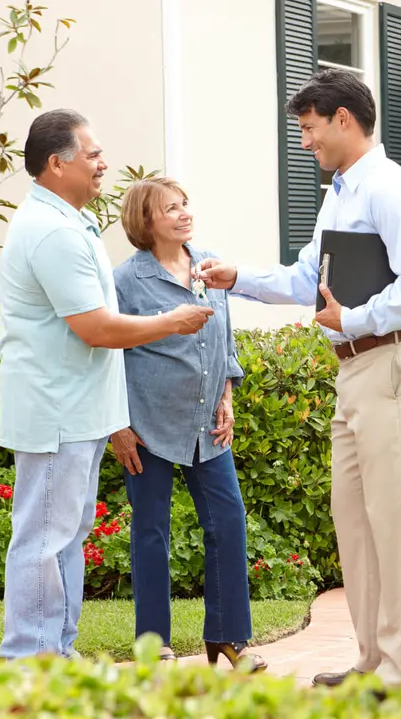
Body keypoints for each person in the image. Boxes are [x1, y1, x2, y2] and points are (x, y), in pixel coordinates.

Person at [195, 68, 401, 688]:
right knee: (354, 522)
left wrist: (354, 316)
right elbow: (310, 277)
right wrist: (239, 278)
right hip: (354, 370)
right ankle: (371, 660)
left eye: (308, 129)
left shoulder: (388, 188)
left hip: (392, 363)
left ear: (343, 119)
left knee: (391, 522)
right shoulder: (341, 191)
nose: (304, 141)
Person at [0, 109, 213, 661]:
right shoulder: (50, 231)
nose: (103, 164)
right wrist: (173, 321)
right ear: (56, 163)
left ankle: (56, 651)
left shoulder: (71, 222)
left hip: (79, 412)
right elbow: (94, 328)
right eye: (92, 155)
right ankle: (30, 656)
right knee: (43, 538)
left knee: (65, 536)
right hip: (56, 413)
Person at [109, 176, 266, 672]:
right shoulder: (126, 281)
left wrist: (227, 395)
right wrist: (118, 425)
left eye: (184, 204)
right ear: (145, 221)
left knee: (228, 520)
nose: (183, 213)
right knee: (151, 531)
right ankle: (153, 641)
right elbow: (108, 355)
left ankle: (229, 638)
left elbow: (225, 339)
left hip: (207, 424)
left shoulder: (210, 265)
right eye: (169, 208)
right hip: (148, 425)